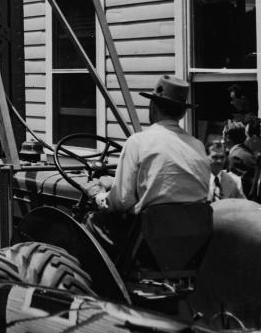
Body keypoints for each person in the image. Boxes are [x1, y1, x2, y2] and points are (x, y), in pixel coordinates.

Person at [86, 75, 211, 250]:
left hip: (147, 242)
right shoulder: (197, 145)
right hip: (191, 242)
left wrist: (98, 195)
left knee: (93, 221)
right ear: (182, 113)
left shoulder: (138, 142)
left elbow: (121, 201)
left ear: (152, 106)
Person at [223, 121, 257, 197]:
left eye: (223, 136)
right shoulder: (247, 154)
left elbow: (235, 191)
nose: (222, 141)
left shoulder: (235, 157)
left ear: (227, 138)